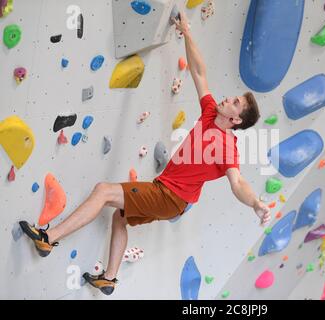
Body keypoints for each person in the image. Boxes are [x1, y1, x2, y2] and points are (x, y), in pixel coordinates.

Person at [19, 11, 271, 296]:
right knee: (120, 217)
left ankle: (48, 238)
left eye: (234, 102)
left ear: (236, 120)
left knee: (103, 191)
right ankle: (110, 279)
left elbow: (238, 183)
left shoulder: (227, 148)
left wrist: (255, 204)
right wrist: (187, 32)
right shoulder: (211, 112)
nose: (228, 99)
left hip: (170, 196)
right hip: (170, 196)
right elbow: (199, 72)